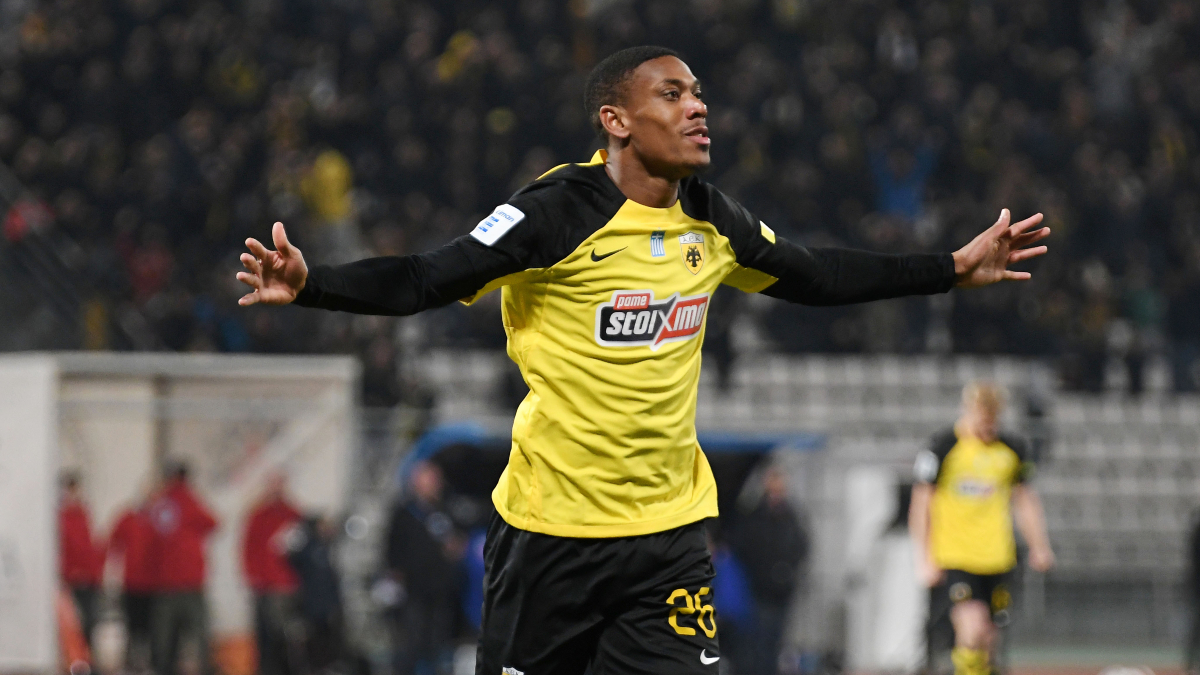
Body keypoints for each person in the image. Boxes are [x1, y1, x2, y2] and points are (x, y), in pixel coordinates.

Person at [235, 46, 1049, 675]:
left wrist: (948, 267)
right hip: (550, 534)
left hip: (668, 537)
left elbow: (816, 273)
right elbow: (425, 277)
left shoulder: (711, 218)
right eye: (673, 94)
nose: (698, 108)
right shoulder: (553, 213)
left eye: (699, 95)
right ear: (615, 120)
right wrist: (314, 285)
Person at [909, 383, 1055, 675]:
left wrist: (1039, 545)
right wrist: (923, 557)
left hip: (997, 556)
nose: (987, 428)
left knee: (989, 636)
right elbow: (922, 502)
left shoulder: (1011, 449)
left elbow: (1024, 500)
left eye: (992, 421)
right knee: (972, 626)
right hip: (956, 555)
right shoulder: (942, 446)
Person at [384, 461, 465, 675]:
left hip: (440, 589)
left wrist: (455, 547)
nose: (435, 485)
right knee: (412, 641)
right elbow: (392, 549)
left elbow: (457, 541)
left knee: (437, 641)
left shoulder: (444, 511)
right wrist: (396, 576)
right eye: (430, 479)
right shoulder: (405, 513)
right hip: (414, 589)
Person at [731, 466, 809, 675]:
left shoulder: (791, 516)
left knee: (776, 638)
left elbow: (801, 546)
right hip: (760, 588)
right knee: (758, 639)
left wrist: (787, 570)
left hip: (782, 589)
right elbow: (745, 547)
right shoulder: (755, 516)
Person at [149, 463, 219, 675]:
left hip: (165, 583)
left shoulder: (160, 504)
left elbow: (151, 537)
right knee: (198, 633)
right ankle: (204, 669)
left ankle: (164, 670)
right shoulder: (190, 501)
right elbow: (212, 523)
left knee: (165, 637)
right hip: (191, 582)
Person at [242, 474, 302, 675]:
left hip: (285, 586)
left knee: (284, 636)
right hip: (265, 586)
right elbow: (249, 548)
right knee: (266, 636)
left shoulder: (292, 515)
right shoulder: (259, 516)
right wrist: (254, 576)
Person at [107, 488, 161, 672]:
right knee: (132, 626)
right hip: (132, 583)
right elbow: (113, 541)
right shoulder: (129, 518)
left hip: (155, 585)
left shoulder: (159, 520)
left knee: (152, 627)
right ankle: (131, 661)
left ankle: (151, 661)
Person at [59, 473, 103, 655]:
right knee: (72, 621)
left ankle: (85, 655)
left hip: (88, 577)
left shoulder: (83, 513)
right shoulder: (61, 516)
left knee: (89, 619)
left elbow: (87, 545)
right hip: (70, 577)